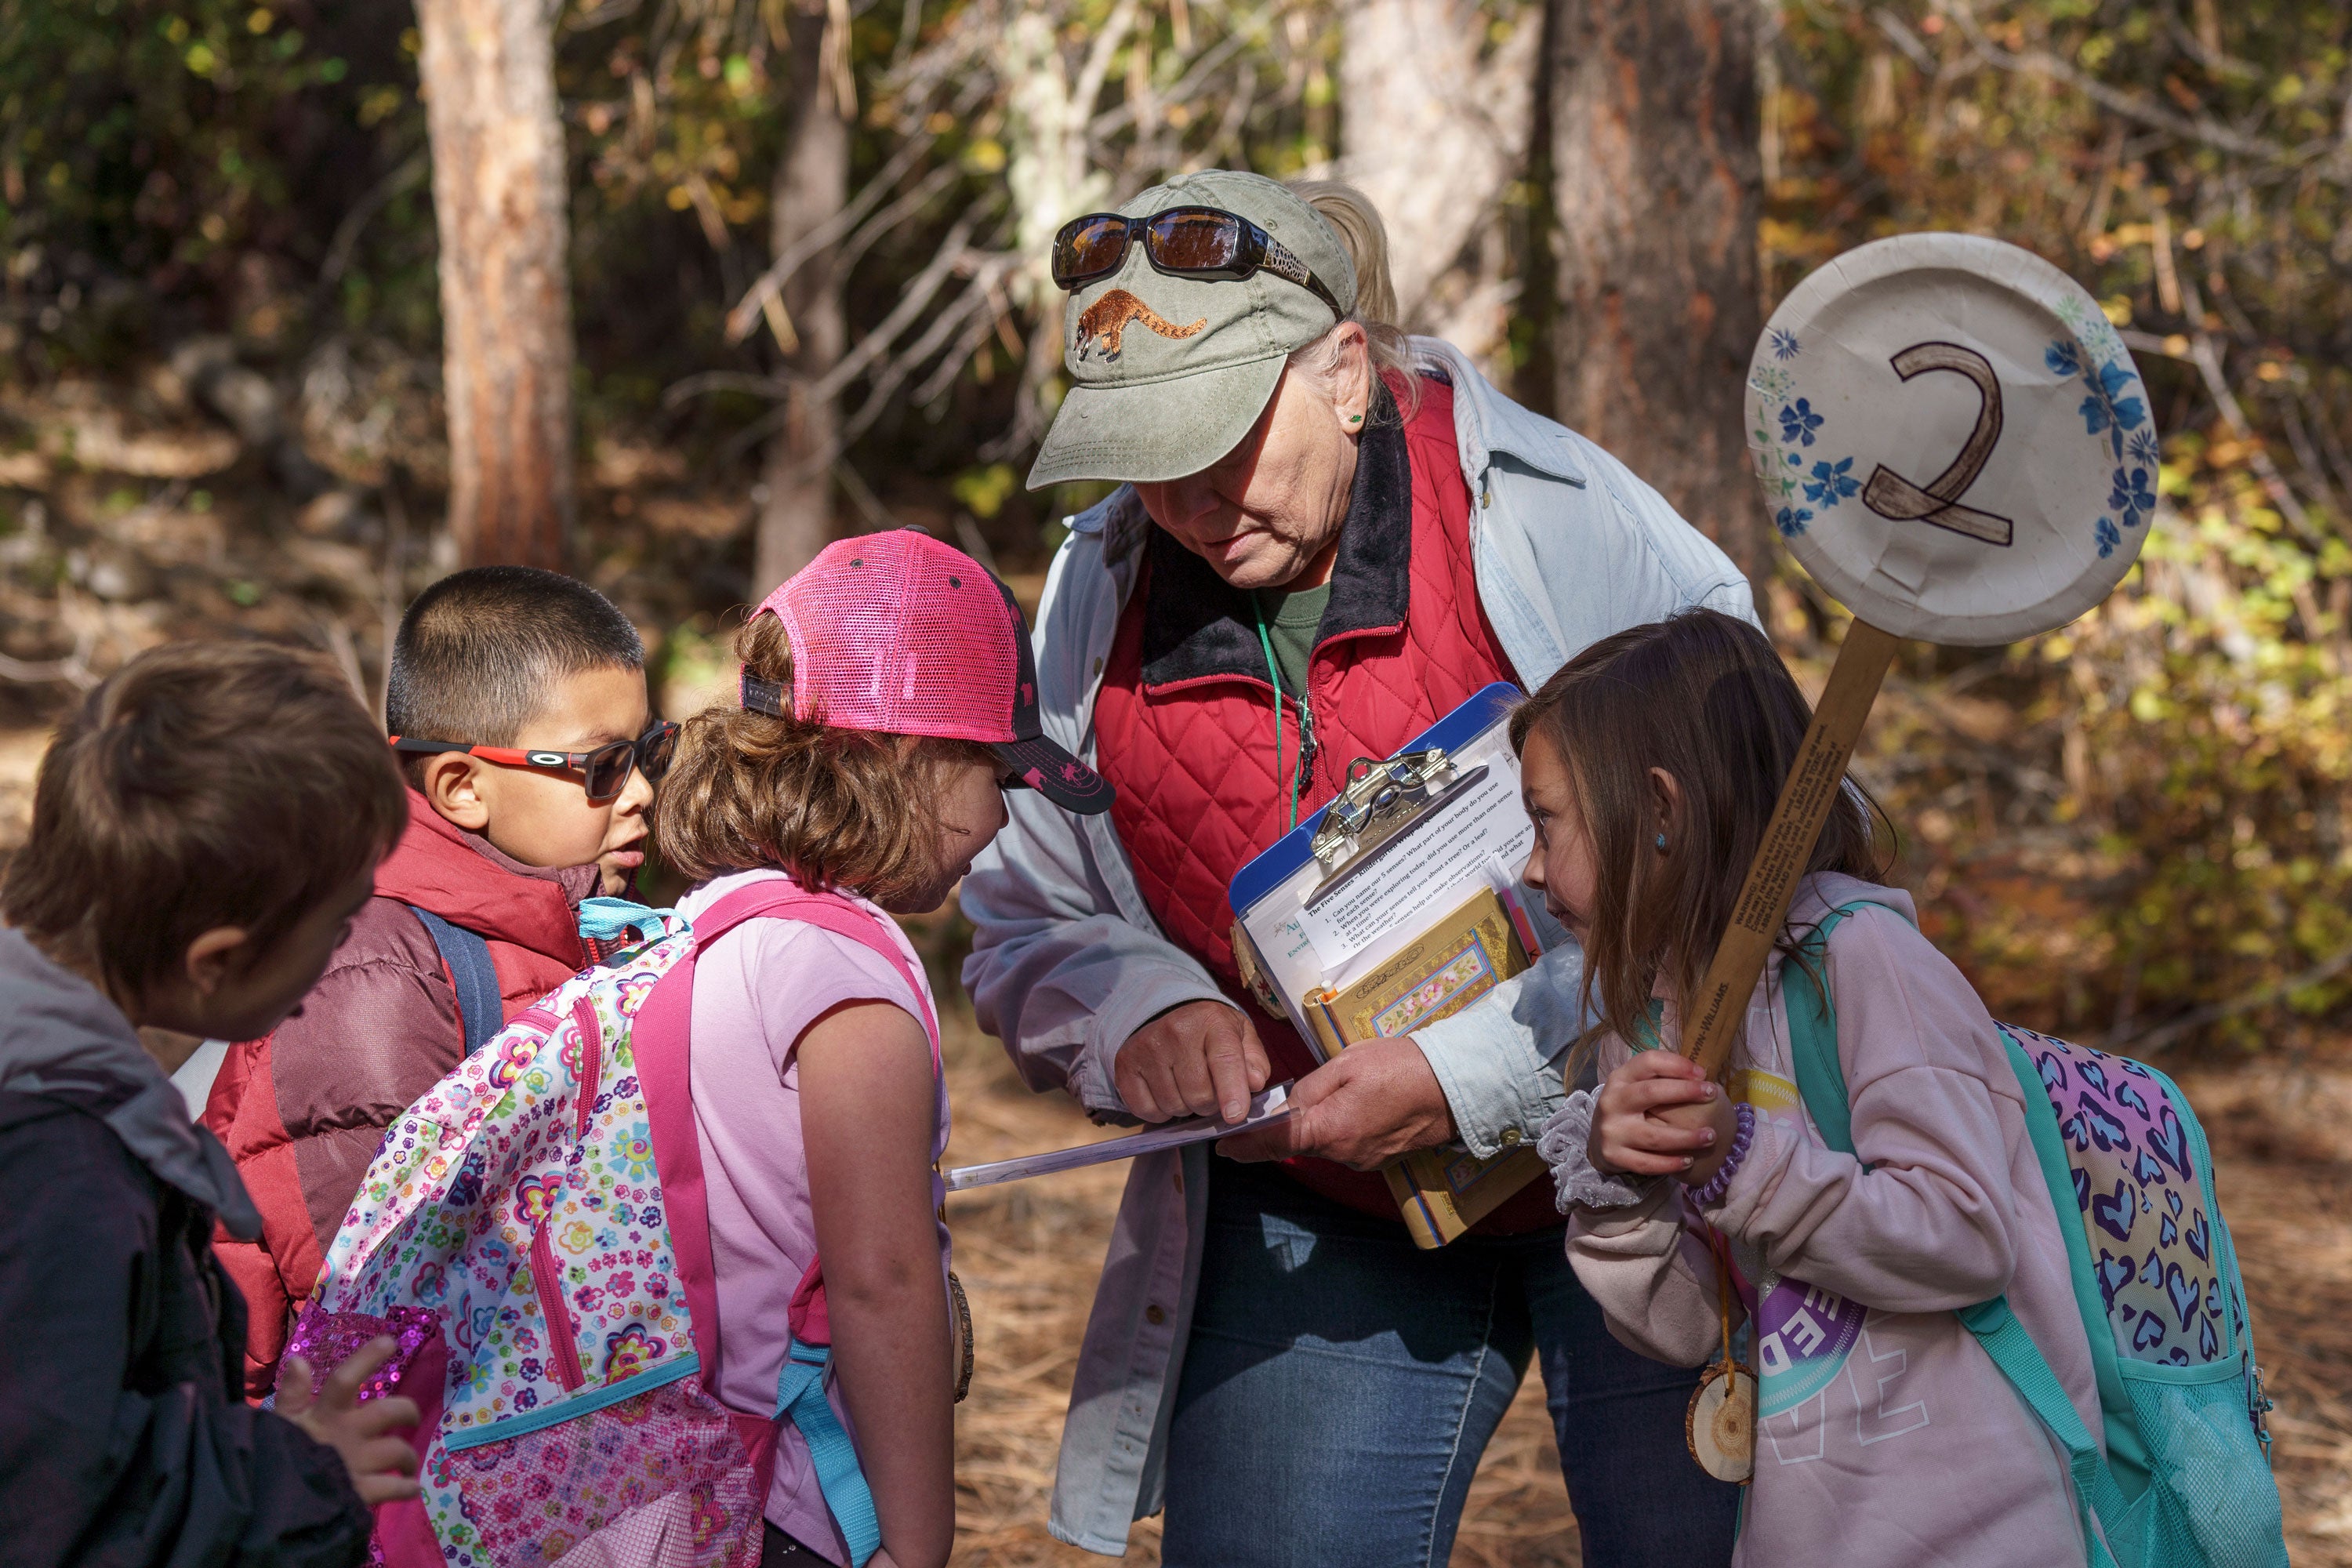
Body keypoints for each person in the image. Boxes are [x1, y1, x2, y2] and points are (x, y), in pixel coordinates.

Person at [960, 169, 1750, 1564]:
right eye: (1143, 451)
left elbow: (1759, 869)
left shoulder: (1549, 524)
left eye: (1218, 437)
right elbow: (1025, 907)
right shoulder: (1099, 588)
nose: (1190, 498)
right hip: (1323, 1209)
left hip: (1665, 1165)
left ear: (1341, 371)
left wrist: (1467, 1080)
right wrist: (1139, 1008)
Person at [1526, 611, 2100, 1564]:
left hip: (1979, 1529)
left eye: (1546, 818)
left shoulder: (1867, 965)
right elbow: (1684, 1326)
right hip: (1806, 1530)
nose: (1531, 865)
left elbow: (1963, 1234)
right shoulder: (1663, 1021)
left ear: (1660, 809)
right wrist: (1624, 1195)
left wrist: (1743, 1158)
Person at [650, 531, 1116, 1568]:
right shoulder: (851, 984)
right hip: (788, 1505)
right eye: (997, 770)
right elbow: (880, 1283)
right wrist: (917, 1545)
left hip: (686, 1483)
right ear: (907, 757)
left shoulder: (717, 923)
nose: (1000, 816)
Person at [0, 641, 425, 1566]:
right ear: (219, 961)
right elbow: (57, 1509)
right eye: (337, 925)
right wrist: (302, 1472)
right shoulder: (61, 1161)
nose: (329, 972)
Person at [203, 565, 674, 1396]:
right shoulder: (374, 968)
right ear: (462, 787)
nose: (640, 792)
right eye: (603, 766)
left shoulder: (574, 928)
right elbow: (376, 1302)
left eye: (648, 752)